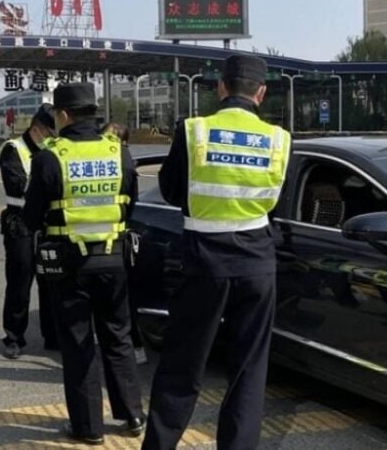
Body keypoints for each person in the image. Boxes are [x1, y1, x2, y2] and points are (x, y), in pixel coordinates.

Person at [142, 55, 292, 450]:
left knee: (182, 366)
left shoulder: (194, 131)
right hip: (257, 263)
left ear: (221, 87)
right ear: (261, 93)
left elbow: (171, 191)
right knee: (248, 372)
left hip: (204, 261)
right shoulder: (278, 139)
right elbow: (275, 201)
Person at [23, 83, 144, 445]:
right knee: (118, 337)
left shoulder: (50, 157)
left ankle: (88, 427)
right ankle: (133, 414)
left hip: (69, 265)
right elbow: (130, 204)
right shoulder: (119, 152)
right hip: (115, 258)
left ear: (63, 115)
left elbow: (31, 217)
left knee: (78, 343)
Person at [0, 104, 58, 360]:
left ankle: (53, 335)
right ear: (37, 129)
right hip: (21, 223)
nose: (51, 138)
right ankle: (14, 337)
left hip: (48, 223)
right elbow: (19, 185)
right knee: (20, 282)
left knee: (52, 280)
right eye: (49, 133)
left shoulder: (53, 150)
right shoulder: (13, 149)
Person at [102, 122, 146, 365]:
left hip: (116, 237)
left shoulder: (122, 162)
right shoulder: (120, 160)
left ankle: (134, 344)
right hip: (108, 237)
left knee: (122, 297)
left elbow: (131, 201)